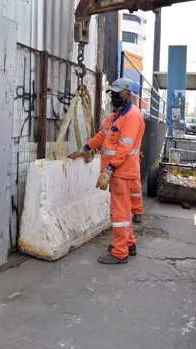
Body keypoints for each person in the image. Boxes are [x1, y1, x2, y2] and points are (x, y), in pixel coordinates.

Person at [68, 77, 145, 264]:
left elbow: (124, 149)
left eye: (117, 94)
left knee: (119, 214)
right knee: (124, 211)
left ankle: (120, 252)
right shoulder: (115, 116)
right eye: (112, 94)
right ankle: (129, 244)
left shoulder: (132, 116)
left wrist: (109, 169)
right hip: (118, 172)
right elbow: (102, 135)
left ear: (127, 94)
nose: (113, 97)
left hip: (121, 172)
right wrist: (86, 147)